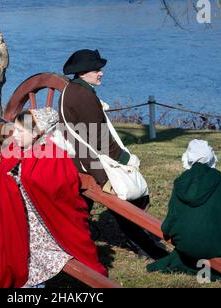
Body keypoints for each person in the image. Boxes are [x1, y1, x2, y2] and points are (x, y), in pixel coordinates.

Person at [0, 108, 107, 288]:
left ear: (35, 133)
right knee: (13, 258)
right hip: (21, 223)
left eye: (20, 131)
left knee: (32, 262)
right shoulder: (15, 150)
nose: (14, 135)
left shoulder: (53, 157)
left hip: (48, 229)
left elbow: (62, 195)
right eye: (14, 129)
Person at [58, 49, 167, 259]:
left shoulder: (76, 90)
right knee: (122, 196)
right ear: (83, 72)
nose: (101, 73)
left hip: (84, 155)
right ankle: (145, 245)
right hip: (90, 161)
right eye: (96, 70)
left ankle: (136, 234)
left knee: (128, 194)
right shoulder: (82, 95)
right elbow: (98, 138)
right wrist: (125, 159)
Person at [147, 139, 221, 278]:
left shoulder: (180, 183)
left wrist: (170, 232)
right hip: (216, 247)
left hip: (186, 244)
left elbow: (172, 218)